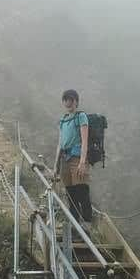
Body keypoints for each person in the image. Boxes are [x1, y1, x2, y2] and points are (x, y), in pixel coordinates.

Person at [54, 89, 94, 230]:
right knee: (71, 195)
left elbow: (84, 140)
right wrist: (56, 165)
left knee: (82, 191)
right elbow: (60, 143)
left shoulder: (81, 116)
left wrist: (82, 162)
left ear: (76, 101)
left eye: (71, 99)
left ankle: (87, 226)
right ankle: (75, 226)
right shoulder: (63, 120)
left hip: (77, 158)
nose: (68, 102)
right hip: (64, 160)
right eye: (66, 100)